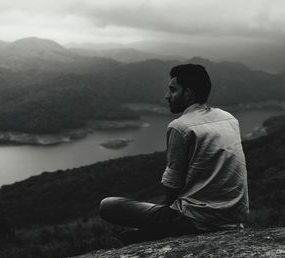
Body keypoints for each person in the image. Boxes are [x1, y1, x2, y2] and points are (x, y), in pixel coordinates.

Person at [99, 64, 249, 244]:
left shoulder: (180, 127)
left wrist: (163, 219)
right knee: (138, 229)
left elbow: (172, 187)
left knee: (108, 205)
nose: (167, 96)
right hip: (233, 218)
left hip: (194, 221)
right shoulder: (229, 118)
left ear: (188, 93)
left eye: (173, 90)